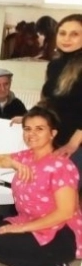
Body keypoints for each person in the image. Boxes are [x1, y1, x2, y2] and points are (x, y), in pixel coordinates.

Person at [0, 107, 82, 266]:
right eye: (27, 129)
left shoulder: (62, 165)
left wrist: (20, 228)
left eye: (39, 129)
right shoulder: (25, 157)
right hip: (31, 221)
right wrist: (11, 162)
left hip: (61, 232)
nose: (32, 134)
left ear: (52, 133)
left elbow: (65, 213)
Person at [41, 14, 82, 193]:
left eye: (75, 34)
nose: (66, 38)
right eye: (62, 33)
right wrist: (30, 116)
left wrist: (73, 143)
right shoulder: (55, 65)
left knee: (66, 195)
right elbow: (50, 100)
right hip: (58, 137)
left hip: (76, 143)